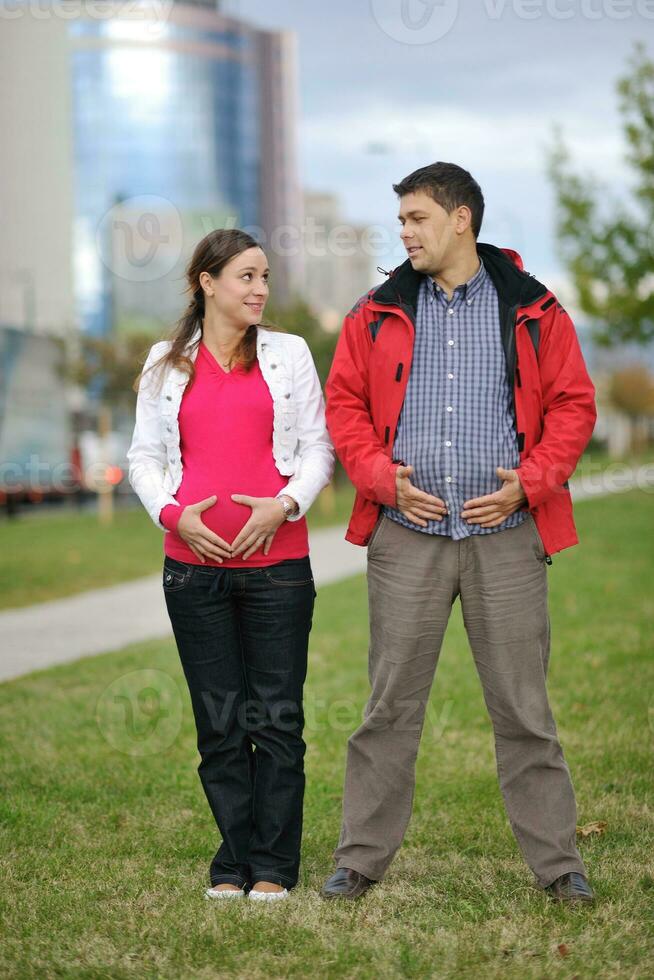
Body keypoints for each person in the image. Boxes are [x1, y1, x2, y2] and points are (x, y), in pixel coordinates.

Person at [321, 162, 597, 904]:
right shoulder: (374, 311)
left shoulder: (535, 309)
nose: (403, 231)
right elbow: (343, 404)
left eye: (416, 218)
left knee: (523, 708)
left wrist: (530, 484)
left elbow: (574, 406)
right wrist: (381, 480)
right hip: (406, 536)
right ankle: (359, 858)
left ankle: (559, 864)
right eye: (401, 220)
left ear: (461, 220)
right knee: (388, 707)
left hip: (506, 536)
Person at [127, 229, 334, 902]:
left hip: (279, 568)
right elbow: (143, 459)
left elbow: (317, 449)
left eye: (265, 276)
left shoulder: (290, 354)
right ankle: (233, 859)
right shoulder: (165, 363)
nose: (260, 289)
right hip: (192, 571)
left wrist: (283, 504)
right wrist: (172, 514)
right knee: (219, 721)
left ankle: (273, 866)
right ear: (207, 282)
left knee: (275, 719)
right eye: (246, 276)